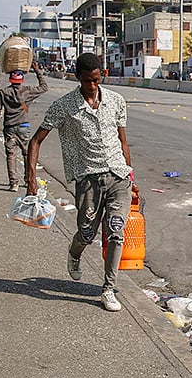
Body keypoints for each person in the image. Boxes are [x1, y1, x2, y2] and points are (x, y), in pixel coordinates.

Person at [25, 53, 137, 313]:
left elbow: (122, 141)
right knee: (87, 231)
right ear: (78, 78)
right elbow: (35, 141)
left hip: (118, 177)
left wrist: (132, 177)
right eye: (88, 81)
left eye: (97, 80)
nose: (93, 86)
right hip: (88, 178)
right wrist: (31, 180)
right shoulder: (64, 106)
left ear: (102, 76)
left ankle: (108, 289)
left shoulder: (116, 102)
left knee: (115, 232)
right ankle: (75, 252)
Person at [0, 64, 49, 191]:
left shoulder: (4, 92)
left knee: (11, 156)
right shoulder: (27, 91)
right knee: (27, 154)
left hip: (9, 127)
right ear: (21, 80)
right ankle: (28, 180)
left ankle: (13, 183)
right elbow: (44, 87)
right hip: (23, 126)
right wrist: (37, 70)